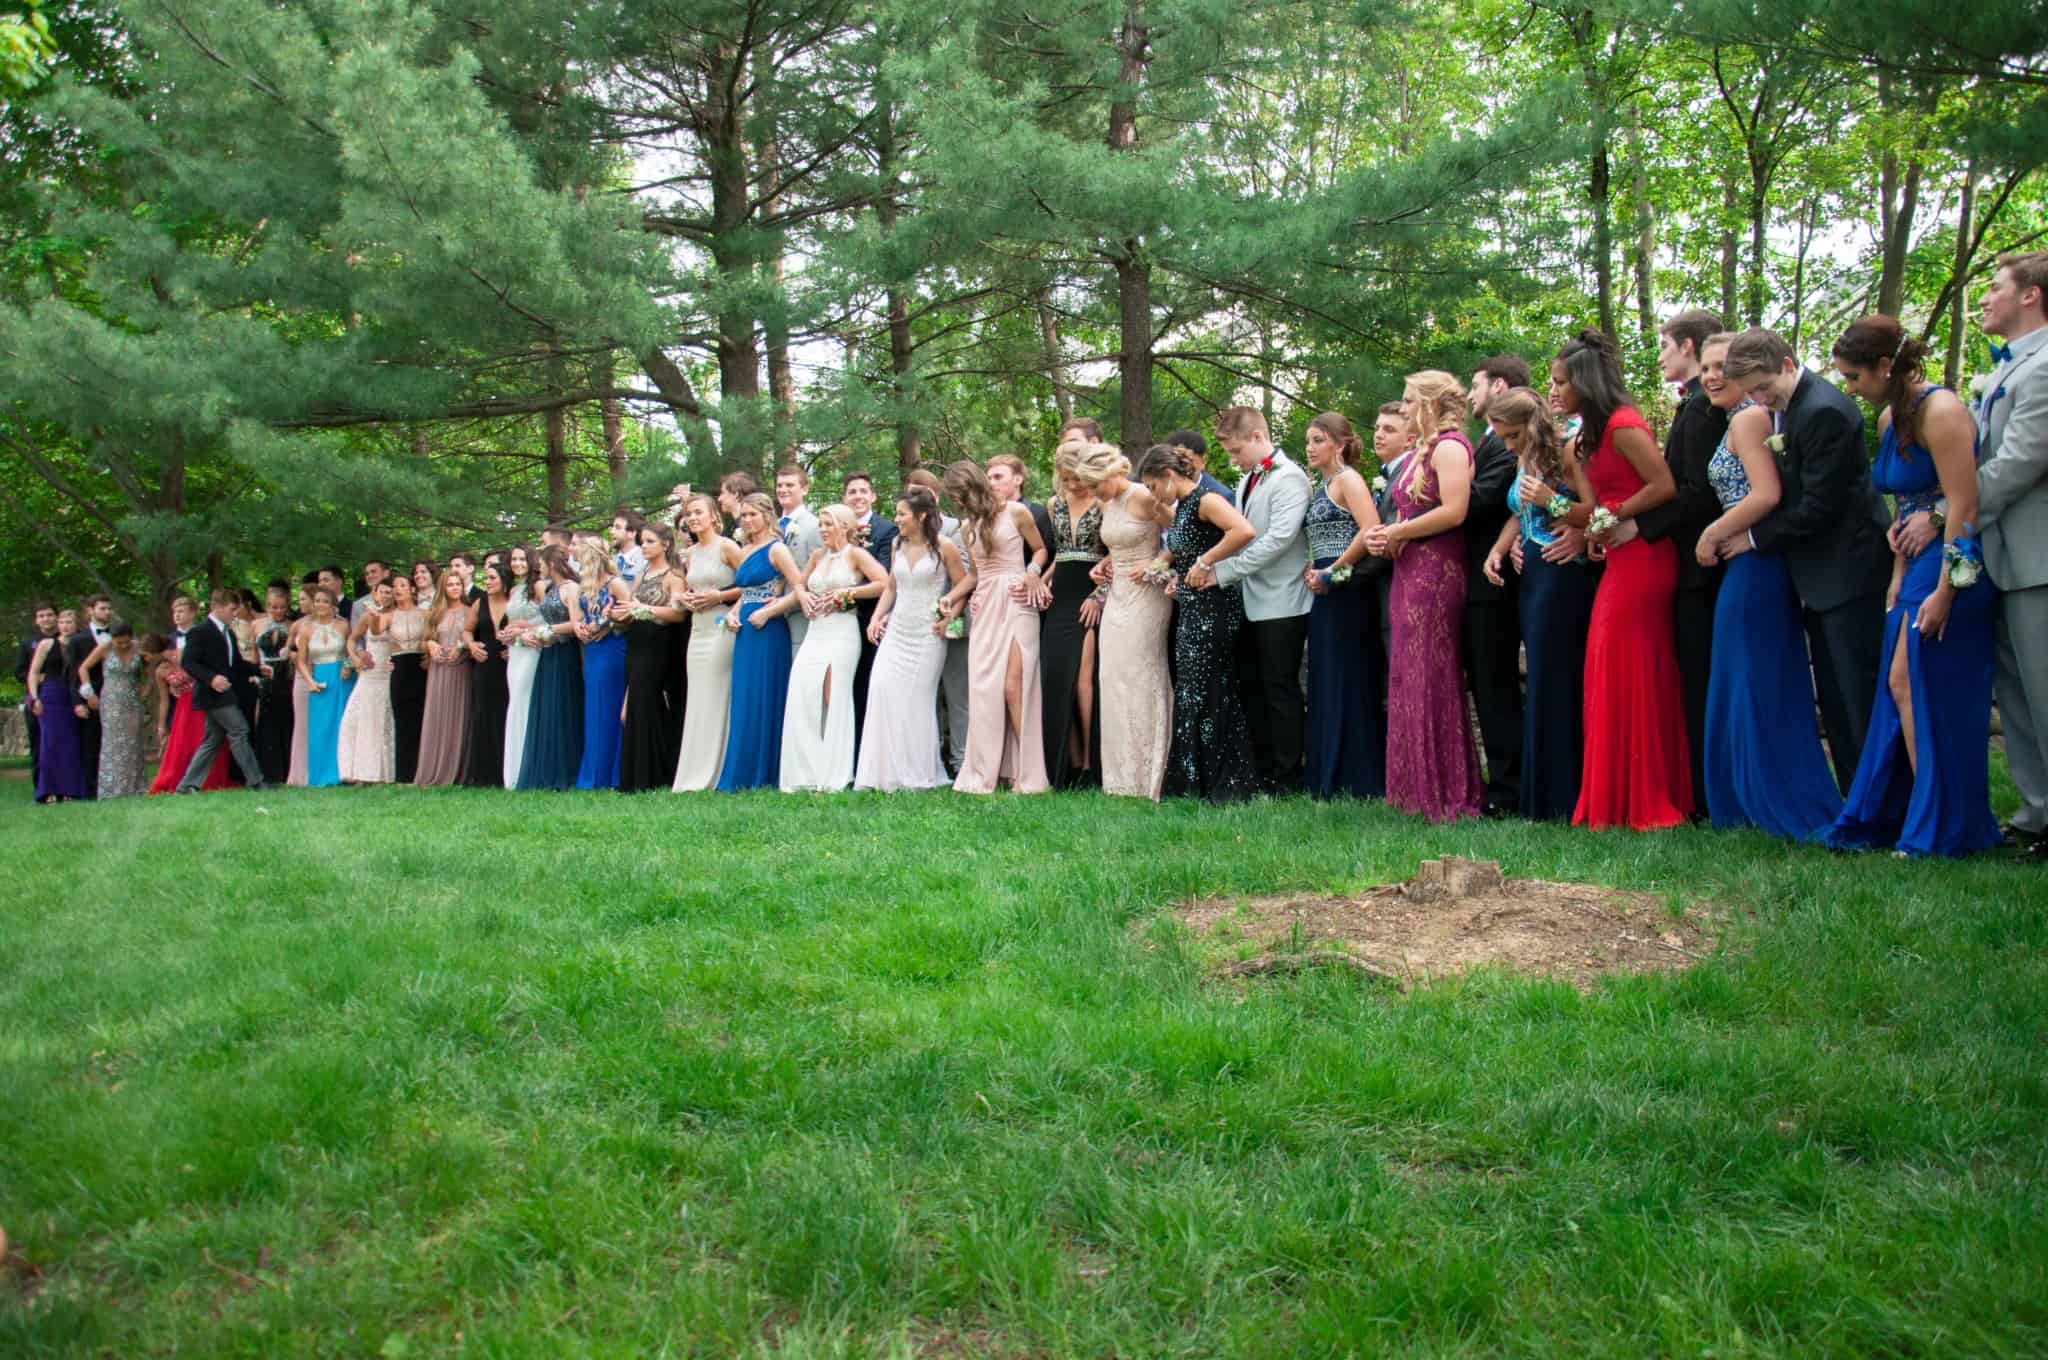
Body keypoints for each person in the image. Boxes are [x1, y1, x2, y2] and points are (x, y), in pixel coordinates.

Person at [1823, 316, 2001, 856]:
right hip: (1912, 566)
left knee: (1920, 687)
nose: (1849, 388)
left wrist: (1948, 587)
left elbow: (1965, 505)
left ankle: (1945, 825)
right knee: (1901, 686)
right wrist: (1898, 577)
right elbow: (1904, 508)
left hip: (1953, 562)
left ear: (1885, 366)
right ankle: (1923, 816)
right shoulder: (1887, 417)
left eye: (1854, 377)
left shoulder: (1943, 411)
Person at [1719, 327, 1893, 789]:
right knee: (1834, 696)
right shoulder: (1792, 408)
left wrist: (1753, 538)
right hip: (1820, 576)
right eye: (1752, 391)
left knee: (1858, 693)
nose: (1759, 398)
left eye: (1763, 387)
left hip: (1848, 571)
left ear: (1789, 366)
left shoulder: (1824, 411)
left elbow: (1819, 507)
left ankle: (1880, 801)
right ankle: (1858, 799)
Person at [1694, 342, 1844, 840]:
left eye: (1723, 369)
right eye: (1709, 369)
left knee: (1757, 678)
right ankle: (1740, 798)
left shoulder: (1751, 420)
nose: (1714, 376)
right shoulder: (1750, 419)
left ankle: (1772, 796)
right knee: (1739, 676)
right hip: (1746, 561)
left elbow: (1767, 494)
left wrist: (1714, 533)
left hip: (1757, 561)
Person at [1544, 329, 1691, 830]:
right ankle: (1618, 794)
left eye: (1561, 381)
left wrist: (1618, 515)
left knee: (1628, 664)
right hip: (1618, 556)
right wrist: (1583, 518)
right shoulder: (1588, 435)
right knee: (1608, 663)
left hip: (1647, 557)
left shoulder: (1625, 425)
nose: (1555, 390)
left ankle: (1645, 795)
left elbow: (1665, 485)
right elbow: (1590, 508)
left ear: (1584, 381)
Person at [1367, 371, 1484, 822]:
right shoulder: (1424, 450)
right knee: (1408, 673)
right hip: (1409, 567)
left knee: (1432, 674)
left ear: (1432, 404)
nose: (1405, 406)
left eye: (1411, 399)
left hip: (1438, 570)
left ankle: (1447, 789)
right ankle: (1412, 787)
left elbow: (1454, 510)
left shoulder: (1451, 447)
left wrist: (1400, 530)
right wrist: (1390, 536)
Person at [1485, 387, 1598, 821]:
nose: (1509, 444)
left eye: (1513, 435)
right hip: (1529, 574)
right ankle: (1543, 795)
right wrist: (1500, 548)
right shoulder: (1523, 457)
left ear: (1530, 426)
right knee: (1539, 679)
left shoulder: (1569, 449)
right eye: (1503, 437)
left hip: (1561, 574)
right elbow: (1518, 511)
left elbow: (1596, 510)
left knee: (1557, 681)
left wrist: (1553, 503)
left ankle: (1566, 795)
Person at [1637, 309, 1733, 814]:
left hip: (1701, 563)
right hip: (1697, 560)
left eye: (1665, 346)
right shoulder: (1695, 407)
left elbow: (1696, 493)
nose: (1660, 356)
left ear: (1690, 347)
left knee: (1699, 677)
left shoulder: (1701, 411)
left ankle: (1703, 792)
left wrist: (1637, 526)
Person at [1970, 250, 2048, 859]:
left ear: (2031, 296)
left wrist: (1954, 508)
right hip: (2002, 553)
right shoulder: (2003, 369)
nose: (1986, 298)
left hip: (2037, 554)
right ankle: (2036, 811)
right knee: (2018, 691)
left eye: (1996, 287)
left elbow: (2021, 460)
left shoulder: (2044, 367)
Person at [1199, 406, 1311, 793]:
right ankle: (1261, 767)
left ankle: (1287, 775)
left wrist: (1223, 573)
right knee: (1254, 687)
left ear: (1258, 438)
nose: (1233, 460)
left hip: (1283, 601)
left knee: (1280, 689)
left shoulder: (1291, 479)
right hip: (1249, 599)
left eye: (1235, 450)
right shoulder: (1250, 478)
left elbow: (1277, 542)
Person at [1138, 442, 1259, 801]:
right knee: (1192, 688)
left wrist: (1206, 563)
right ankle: (1195, 777)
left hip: (1216, 608)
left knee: (1209, 687)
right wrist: (1172, 571)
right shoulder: (1185, 507)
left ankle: (1225, 778)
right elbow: (1182, 550)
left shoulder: (1207, 499)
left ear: (1170, 475)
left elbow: (1243, 531)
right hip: (1192, 605)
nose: (1153, 495)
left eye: (1154, 486)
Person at [943, 459, 1053, 795]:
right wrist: (953, 596)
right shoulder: (967, 527)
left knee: (1012, 687)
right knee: (985, 691)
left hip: (1018, 599)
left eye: (961, 494)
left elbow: (1040, 550)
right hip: (986, 605)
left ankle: (1028, 775)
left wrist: (1032, 575)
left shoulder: (1017, 512)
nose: (958, 502)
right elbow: (976, 574)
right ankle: (994, 769)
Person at [855, 488, 965, 792]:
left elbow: (965, 582)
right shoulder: (896, 544)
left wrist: (949, 617)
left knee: (915, 701)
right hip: (898, 630)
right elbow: (891, 586)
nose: (897, 519)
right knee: (880, 689)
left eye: (902, 513)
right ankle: (881, 771)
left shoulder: (943, 547)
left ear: (922, 516)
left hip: (928, 635)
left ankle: (916, 771)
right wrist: (878, 617)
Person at [1300, 411, 1386, 800]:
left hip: (1347, 589)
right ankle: (1328, 771)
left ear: (1340, 443)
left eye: (1318, 439)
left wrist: (1333, 570)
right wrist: (1313, 566)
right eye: (1308, 440)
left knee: (1348, 675)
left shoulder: (1349, 479)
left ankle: (1357, 773)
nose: (1311, 447)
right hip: (1323, 585)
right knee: (1327, 675)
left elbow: (1369, 530)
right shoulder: (1323, 484)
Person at [780, 504, 889, 791]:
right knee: (802, 691)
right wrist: (804, 598)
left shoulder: (857, 555)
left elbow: (885, 583)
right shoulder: (817, 556)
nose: (823, 529)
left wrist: (847, 592)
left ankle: (834, 772)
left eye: (829, 524)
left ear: (844, 526)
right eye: (822, 525)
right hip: (815, 632)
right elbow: (799, 586)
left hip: (842, 631)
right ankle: (806, 771)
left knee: (832, 696)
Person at [1463, 355, 1530, 813]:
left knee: (1497, 686)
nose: (1470, 394)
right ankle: (1503, 783)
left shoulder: (1509, 446)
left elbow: (1483, 500)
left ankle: (1510, 789)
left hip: (1496, 585)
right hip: (1476, 578)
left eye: (1475, 385)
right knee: (1486, 687)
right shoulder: (1486, 442)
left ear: (1499, 387)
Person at [716, 493, 810, 791]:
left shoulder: (776, 549)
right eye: (743, 515)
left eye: (753, 514)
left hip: (768, 630)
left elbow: (800, 589)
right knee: (744, 696)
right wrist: (732, 615)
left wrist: (770, 611)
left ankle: (765, 770)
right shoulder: (746, 549)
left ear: (767, 515)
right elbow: (744, 592)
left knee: (764, 694)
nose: (747, 520)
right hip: (745, 629)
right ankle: (741, 771)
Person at [1038, 443, 1107, 787]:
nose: (1073, 486)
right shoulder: (1054, 505)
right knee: (1058, 678)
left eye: (1078, 479)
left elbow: (1116, 556)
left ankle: (1093, 765)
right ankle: (1071, 761)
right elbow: (1060, 555)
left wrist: (1099, 595)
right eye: (1066, 480)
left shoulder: (1104, 502)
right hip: (1061, 597)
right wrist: (1042, 579)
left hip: (1092, 594)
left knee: (1084, 680)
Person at [673, 495, 744, 792]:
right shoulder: (688, 554)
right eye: (689, 514)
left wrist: (720, 598)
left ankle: (717, 770)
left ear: (714, 516)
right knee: (698, 696)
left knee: (717, 694)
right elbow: (688, 588)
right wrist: (687, 599)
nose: (693, 518)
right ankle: (692, 772)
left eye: (698, 512)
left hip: (721, 626)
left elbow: (750, 584)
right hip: (697, 627)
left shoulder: (727, 547)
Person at [610, 523, 687, 792]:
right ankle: (637, 775)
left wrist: (645, 608)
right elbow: (631, 606)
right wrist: (620, 614)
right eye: (642, 541)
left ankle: (654, 773)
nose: (644, 546)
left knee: (646, 700)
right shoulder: (642, 573)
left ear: (665, 544)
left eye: (650, 541)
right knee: (638, 704)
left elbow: (678, 614)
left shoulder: (673, 576)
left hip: (659, 644)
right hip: (637, 642)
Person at [907, 464, 971, 773]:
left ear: (934, 495)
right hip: (916, 624)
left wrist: (950, 612)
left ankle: (961, 759)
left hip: (954, 617)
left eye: (919, 494)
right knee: (924, 692)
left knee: (957, 692)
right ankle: (928, 757)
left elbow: (965, 578)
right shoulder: (904, 532)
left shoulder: (956, 529)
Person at [176, 588, 268, 791]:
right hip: (212, 694)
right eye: (231, 609)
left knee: (212, 740)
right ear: (217, 607)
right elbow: (188, 663)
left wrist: (257, 669)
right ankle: (256, 781)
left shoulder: (228, 633)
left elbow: (234, 664)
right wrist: (212, 679)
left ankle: (187, 785)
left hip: (225, 692)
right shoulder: (200, 632)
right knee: (239, 729)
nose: (234, 613)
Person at [516, 544, 586, 790]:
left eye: (542, 564)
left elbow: (575, 624)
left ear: (553, 564)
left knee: (562, 707)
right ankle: (545, 769)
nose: (540, 568)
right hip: (548, 653)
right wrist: (536, 634)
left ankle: (565, 769)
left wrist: (546, 630)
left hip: (566, 655)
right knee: (546, 707)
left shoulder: (572, 588)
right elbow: (546, 620)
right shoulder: (549, 588)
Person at [842, 471, 898, 757]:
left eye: (863, 491)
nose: (858, 496)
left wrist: (846, 591)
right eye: (852, 492)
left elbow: (888, 575)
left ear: (873, 496)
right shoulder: (834, 531)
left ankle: (871, 751)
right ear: (844, 498)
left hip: (871, 616)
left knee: (869, 681)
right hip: (839, 621)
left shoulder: (887, 530)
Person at [572, 539, 629, 790]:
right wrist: (581, 628)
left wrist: (608, 624)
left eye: (583, 555)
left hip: (612, 648)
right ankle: (593, 773)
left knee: (609, 707)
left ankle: (611, 773)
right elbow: (580, 617)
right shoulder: (584, 588)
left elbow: (630, 615)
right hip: (592, 649)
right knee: (594, 708)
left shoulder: (614, 583)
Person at [76, 623, 154, 799]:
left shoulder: (138, 648)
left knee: (134, 743)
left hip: (133, 700)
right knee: (113, 745)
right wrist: (89, 693)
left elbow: (150, 671)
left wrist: (147, 687)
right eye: (119, 643)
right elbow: (83, 668)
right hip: (111, 701)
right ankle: (111, 789)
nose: (123, 645)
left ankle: (135, 787)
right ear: (113, 639)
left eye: (126, 642)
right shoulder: (105, 648)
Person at [415, 568, 473, 786]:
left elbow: (473, 638)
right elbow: (422, 641)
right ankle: (433, 769)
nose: (455, 588)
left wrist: (462, 649)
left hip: (461, 669)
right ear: (443, 588)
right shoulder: (434, 613)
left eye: (458, 584)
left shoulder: (469, 611)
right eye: (450, 585)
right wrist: (430, 644)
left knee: (459, 715)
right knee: (437, 715)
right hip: (438, 671)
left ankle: (458, 770)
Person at [336, 577, 396, 785]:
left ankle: (380, 773)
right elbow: (352, 640)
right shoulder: (366, 615)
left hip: (387, 674)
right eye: (383, 591)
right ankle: (358, 771)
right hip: (368, 674)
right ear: (375, 592)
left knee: (380, 722)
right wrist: (354, 657)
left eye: (391, 592)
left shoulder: (397, 615)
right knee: (354, 719)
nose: (387, 596)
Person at [458, 559, 511, 788]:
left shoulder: (515, 601)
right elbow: (467, 631)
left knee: (506, 713)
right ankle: (482, 772)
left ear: (504, 580)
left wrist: (516, 646)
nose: (487, 582)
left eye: (492, 578)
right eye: (486, 578)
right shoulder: (479, 603)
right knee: (483, 713)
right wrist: (471, 646)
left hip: (509, 664)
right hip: (485, 663)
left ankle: (505, 771)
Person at [497, 544, 544, 786]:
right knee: (514, 701)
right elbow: (513, 621)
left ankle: (527, 765)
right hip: (515, 651)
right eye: (514, 560)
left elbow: (551, 617)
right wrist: (507, 634)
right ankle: (512, 770)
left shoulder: (538, 586)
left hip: (533, 650)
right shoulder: (514, 589)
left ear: (531, 560)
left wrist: (527, 629)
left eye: (521, 559)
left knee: (523, 702)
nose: (517, 563)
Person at [26, 610, 87, 802]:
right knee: (49, 744)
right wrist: (35, 698)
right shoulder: (46, 644)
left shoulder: (81, 644)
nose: (65, 625)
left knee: (70, 744)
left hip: (72, 695)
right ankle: (49, 790)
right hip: (51, 695)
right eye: (61, 622)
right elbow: (33, 673)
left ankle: (70, 789)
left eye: (69, 622)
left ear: (77, 625)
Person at [295, 586, 349, 788]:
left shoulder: (344, 626)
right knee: (319, 728)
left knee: (340, 725)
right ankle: (319, 775)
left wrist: (348, 666)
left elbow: (351, 649)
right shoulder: (306, 629)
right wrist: (310, 681)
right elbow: (301, 661)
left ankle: (341, 772)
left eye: (325, 601)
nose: (320, 604)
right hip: (319, 678)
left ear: (333, 605)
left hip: (341, 678)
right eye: (317, 600)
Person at [64, 593, 114, 798]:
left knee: (113, 744)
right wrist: (79, 702)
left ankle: (114, 787)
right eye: (102, 608)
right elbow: (73, 673)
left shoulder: (118, 635)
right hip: (90, 699)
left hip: (116, 696)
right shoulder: (78, 640)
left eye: (109, 608)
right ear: (90, 611)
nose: (107, 612)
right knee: (91, 745)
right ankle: (91, 791)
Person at [385, 573, 429, 783]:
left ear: (412, 589)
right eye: (394, 586)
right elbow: (373, 632)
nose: (397, 589)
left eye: (402, 585)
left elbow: (434, 637)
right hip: (400, 667)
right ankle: (404, 774)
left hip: (421, 668)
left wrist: (429, 655)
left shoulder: (425, 613)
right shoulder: (388, 615)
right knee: (402, 722)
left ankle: (424, 771)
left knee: (422, 719)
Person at [15, 601, 56, 788]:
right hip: (37, 698)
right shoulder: (27, 643)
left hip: (62, 698)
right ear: (36, 620)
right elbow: (20, 672)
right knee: (38, 743)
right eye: (41, 616)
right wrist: (37, 678)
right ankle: (41, 787)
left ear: (56, 617)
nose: (46, 619)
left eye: (49, 615)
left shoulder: (66, 639)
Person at [609, 508, 647, 586]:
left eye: (617, 528)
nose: (611, 532)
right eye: (612, 527)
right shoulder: (610, 560)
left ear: (632, 533)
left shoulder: (645, 560)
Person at [350, 559, 389, 628]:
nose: (369, 576)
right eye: (366, 574)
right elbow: (357, 637)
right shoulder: (358, 605)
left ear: (386, 573)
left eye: (373, 572)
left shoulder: (398, 597)